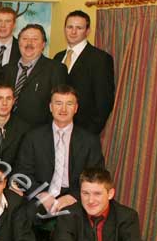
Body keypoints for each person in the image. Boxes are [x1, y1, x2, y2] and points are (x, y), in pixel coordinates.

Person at [15, 85, 104, 217]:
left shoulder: (90, 141)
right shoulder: (33, 137)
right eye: (58, 103)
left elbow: (96, 176)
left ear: (76, 108)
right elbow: (23, 172)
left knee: (69, 221)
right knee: (23, 215)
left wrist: (72, 196)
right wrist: (40, 194)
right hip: (40, 194)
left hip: (75, 197)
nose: (63, 109)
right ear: (51, 107)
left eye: (69, 104)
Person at [53, 10, 115, 135]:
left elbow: (103, 102)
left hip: (83, 132)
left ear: (87, 31)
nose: (73, 32)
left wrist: (89, 133)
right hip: (55, 129)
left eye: (79, 28)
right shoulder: (58, 57)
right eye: (70, 27)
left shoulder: (100, 59)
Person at [2, 24, 67, 128]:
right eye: (25, 39)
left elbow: (59, 106)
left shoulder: (55, 69)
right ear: (19, 42)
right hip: (8, 131)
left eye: (35, 39)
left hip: (38, 134)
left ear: (43, 44)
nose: (29, 43)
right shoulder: (6, 69)